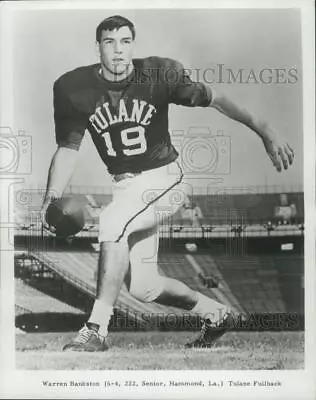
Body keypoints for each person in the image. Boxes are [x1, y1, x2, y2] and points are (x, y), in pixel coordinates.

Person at [41, 15, 294, 351]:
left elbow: (217, 99)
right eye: (109, 42)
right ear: (98, 46)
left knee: (112, 220)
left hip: (164, 180)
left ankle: (97, 329)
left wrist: (264, 128)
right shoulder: (73, 88)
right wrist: (51, 196)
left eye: (125, 41)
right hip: (126, 188)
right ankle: (217, 314)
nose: (118, 50)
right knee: (143, 288)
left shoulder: (158, 75)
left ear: (133, 44)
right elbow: (68, 149)